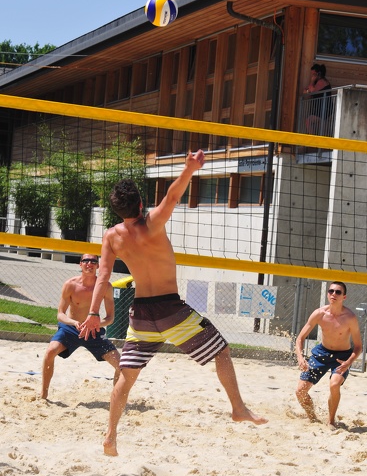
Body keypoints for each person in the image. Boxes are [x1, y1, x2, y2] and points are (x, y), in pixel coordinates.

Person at [79, 150, 268, 456]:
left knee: (126, 378)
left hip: (140, 314)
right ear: (141, 204)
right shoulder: (152, 223)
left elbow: (102, 277)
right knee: (221, 352)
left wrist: (92, 313)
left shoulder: (111, 236)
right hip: (171, 310)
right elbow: (173, 195)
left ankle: (111, 435)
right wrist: (190, 168)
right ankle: (238, 407)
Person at [41, 253, 121, 399]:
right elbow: (60, 314)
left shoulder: (105, 286)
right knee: (50, 352)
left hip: (94, 331)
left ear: (98, 265)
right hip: (71, 329)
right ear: (80, 264)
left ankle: (117, 399)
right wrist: (73, 322)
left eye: (93, 261)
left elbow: (110, 318)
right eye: (86, 261)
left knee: (121, 366)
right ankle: (44, 395)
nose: (89, 264)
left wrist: (95, 323)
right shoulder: (70, 284)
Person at [295, 281, 362, 429]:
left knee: (334, 384)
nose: (333, 294)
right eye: (331, 291)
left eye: (338, 292)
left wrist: (349, 362)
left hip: (342, 357)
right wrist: (300, 357)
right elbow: (300, 338)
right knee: (300, 392)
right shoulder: (319, 313)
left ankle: (331, 421)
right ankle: (312, 417)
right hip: (321, 353)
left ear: (344, 297)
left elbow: (358, 346)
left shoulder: (350, 317)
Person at [303, 63, 332, 134]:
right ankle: (314, 140)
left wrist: (312, 82)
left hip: (324, 108)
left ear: (318, 74)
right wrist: (309, 89)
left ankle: (312, 142)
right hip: (318, 108)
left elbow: (312, 91)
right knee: (317, 126)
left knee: (308, 121)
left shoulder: (322, 82)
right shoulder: (316, 82)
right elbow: (305, 91)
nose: (312, 76)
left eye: (314, 74)